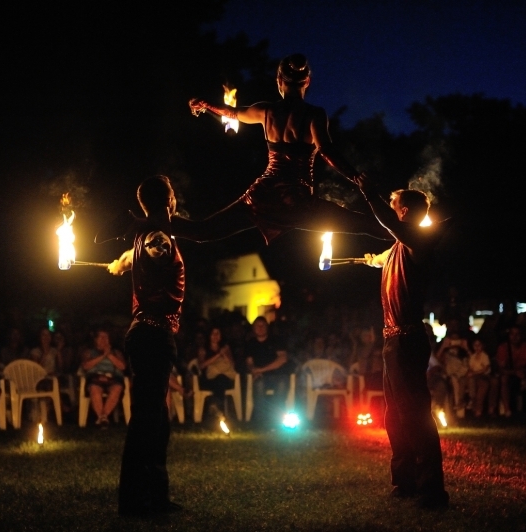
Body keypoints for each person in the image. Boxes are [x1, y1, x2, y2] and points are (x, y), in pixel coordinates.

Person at [180, 53, 390, 244]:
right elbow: (326, 151)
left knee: (204, 231)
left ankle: (155, 222)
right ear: (307, 81)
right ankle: (415, 237)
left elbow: (232, 113)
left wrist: (206, 104)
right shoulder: (314, 115)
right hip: (298, 202)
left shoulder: (266, 111)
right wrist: (356, 178)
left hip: (263, 196)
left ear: (279, 81)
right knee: (368, 225)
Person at [357, 178, 449, 508]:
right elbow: (382, 258)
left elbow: (394, 230)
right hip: (391, 342)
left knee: (414, 415)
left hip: (408, 339)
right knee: (394, 417)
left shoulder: (417, 242)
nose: (390, 215)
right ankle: (405, 483)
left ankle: (432, 491)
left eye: (393, 209)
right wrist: (371, 260)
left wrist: (370, 192)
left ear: (404, 212)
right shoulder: (397, 248)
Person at [107, 176, 184, 517]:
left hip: (148, 335)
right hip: (152, 335)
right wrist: (154, 249)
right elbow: (157, 247)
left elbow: (143, 249)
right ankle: (142, 503)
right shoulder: (157, 235)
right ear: (169, 200)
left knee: (156, 420)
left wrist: (125, 259)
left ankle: (152, 496)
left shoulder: (145, 233)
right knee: (149, 422)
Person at [245, 316, 290, 423]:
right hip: (261, 377)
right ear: (253, 329)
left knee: (282, 383)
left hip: (278, 375)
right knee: (259, 385)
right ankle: (261, 420)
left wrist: (261, 369)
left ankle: (278, 418)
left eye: (263, 326)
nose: (260, 328)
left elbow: (282, 359)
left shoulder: (276, 340)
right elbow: (249, 362)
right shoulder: (250, 343)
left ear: (267, 327)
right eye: (257, 326)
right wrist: (254, 370)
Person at [80, 328, 127, 427]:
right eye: (101, 337)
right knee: (94, 388)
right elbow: (86, 366)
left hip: (113, 378)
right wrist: (102, 356)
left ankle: (102, 417)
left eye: (106, 337)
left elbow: (122, 366)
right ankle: (103, 418)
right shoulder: (89, 352)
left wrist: (109, 355)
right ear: (96, 340)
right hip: (95, 378)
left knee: (117, 388)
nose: (104, 340)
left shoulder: (116, 352)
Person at [196, 326, 237, 413]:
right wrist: (218, 355)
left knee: (221, 379)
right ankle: (219, 409)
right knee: (219, 380)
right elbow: (202, 365)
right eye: (213, 333)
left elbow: (232, 364)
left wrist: (224, 353)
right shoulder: (203, 349)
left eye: (217, 333)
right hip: (209, 379)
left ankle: (216, 406)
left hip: (225, 378)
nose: (215, 336)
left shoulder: (226, 348)